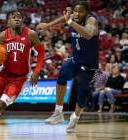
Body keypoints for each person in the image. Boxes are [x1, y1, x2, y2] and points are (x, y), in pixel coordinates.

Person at [0, 10, 45, 139]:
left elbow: (41, 53)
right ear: (8, 21)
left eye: (19, 17)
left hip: (20, 78)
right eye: (14, 17)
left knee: (1, 105)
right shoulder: (2, 36)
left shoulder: (31, 34)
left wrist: (37, 71)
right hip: (4, 74)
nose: (17, 19)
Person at [37, 1, 99, 132]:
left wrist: (70, 21)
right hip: (76, 60)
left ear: (87, 12)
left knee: (82, 97)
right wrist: (49, 25)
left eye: (80, 11)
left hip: (89, 66)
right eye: (75, 11)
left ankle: (74, 118)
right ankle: (58, 113)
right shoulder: (73, 18)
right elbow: (64, 18)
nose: (77, 13)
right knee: (62, 75)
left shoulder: (91, 21)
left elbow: (88, 34)